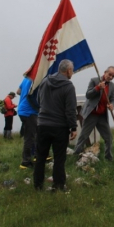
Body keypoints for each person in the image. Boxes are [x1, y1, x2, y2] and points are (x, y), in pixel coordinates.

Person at [33, 59, 77, 191]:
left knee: (40, 156)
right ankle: (58, 186)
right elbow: (70, 109)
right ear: (68, 70)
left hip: (42, 125)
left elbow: (38, 100)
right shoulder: (68, 86)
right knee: (59, 158)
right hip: (59, 126)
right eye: (72, 70)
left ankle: (38, 186)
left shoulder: (45, 81)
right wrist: (73, 127)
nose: (72, 72)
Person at [73, 66, 114, 161]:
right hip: (91, 114)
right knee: (84, 136)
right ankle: (75, 155)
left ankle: (108, 158)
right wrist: (97, 88)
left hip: (102, 115)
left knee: (108, 137)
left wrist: (112, 105)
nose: (110, 77)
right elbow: (88, 95)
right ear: (105, 72)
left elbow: (112, 99)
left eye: (113, 76)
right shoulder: (94, 80)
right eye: (109, 74)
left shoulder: (112, 86)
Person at [17, 77, 38, 169]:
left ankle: (37, 155)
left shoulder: (27, 78)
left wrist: (25, 94)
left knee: (35, 134)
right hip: (29, 111)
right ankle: (25, 162)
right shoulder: (37, 79)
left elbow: (18, 91)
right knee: (30, 137)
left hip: (22, 110)